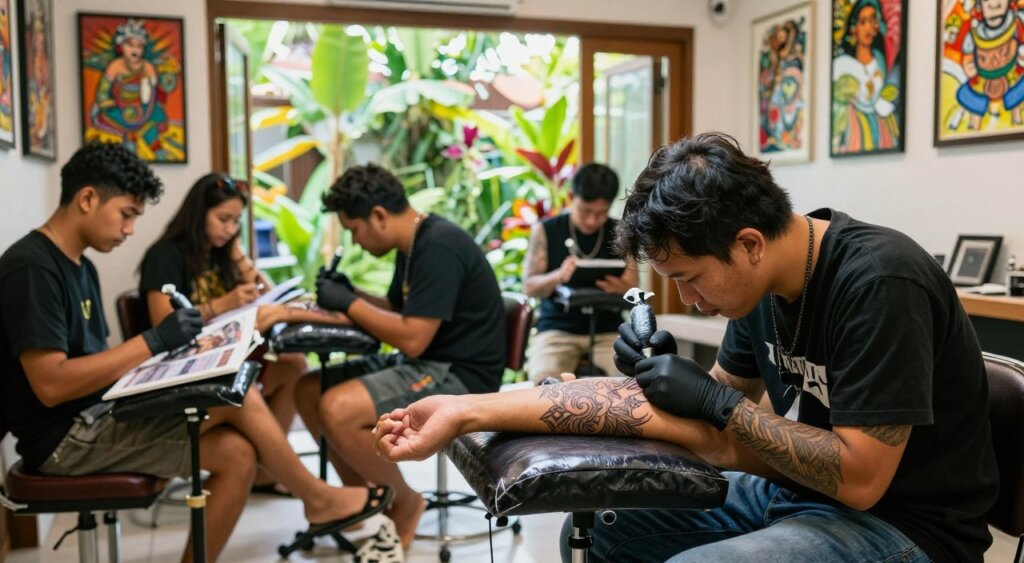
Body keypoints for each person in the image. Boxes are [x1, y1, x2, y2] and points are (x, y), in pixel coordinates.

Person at [375, 132, 998, 563]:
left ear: (749, 243)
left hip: (906, 526)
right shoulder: (761, 290)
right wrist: (466, 409)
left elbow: (860, 478)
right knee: (604, 531)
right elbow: (709, 417)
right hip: (800, 495)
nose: (692, 303)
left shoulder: (879, 281)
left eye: (691, 280)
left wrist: (719, 408)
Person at [0, 143, 392, 563]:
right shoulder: (32, 268)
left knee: (239, 455)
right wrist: (154, 342)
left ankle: (306, 505)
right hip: (65, 440)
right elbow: (52, 385)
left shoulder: (82, 265)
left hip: (95, 415)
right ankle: (317, 498)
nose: (130, 229)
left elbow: (89, 363)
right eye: (127, 214)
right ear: (88, 198)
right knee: (236, 394)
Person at [297, 163, 506, 549]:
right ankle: (365, 501)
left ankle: (403, 504)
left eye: (353, 229)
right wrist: (352, 293)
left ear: (377, 216)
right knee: (309, 388)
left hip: (458, 373)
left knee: (338, 408)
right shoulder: (411, 244)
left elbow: (412, 338)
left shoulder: (437, 246)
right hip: (429, 362)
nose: (355, 241)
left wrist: (348, 303)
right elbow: (399, 310)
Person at [139, 172, 325, 495]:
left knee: (294, 365)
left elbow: (266, 291)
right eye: (223, 219)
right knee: (249, 383)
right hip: (188, 368)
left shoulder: (222, 252)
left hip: (226, 356)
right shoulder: (165, 256)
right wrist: (222, 304)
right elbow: (163, 324)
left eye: (236, 221)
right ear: (198, 216)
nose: (229, 228)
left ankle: (268, 470)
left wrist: (237, 252)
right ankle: (298, 483)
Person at [523, 163, 638, 382]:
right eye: (586, 211)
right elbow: (529, 287)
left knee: (632, 381)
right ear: (571, 197)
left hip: (608, 330)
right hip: (557, 329)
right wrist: (558, 276)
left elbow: (633, 287)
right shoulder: (546, 230)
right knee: (543, 381)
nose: (592, 220)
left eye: (601, 213)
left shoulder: (620, 232)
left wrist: (618, 288)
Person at [831, 0, 901, 153]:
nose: (869, 27)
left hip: (883, 133)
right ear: (853, 28)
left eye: (872, 20)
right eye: (863, 22)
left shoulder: (882, 63)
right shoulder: (842, 65)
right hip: (852, 134)